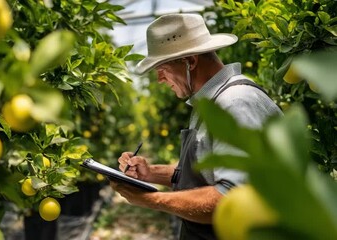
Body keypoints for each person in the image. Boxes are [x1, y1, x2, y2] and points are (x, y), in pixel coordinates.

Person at [109, 13, 283, 240]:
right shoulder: (212, 103)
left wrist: (150, 200)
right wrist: (152, 173)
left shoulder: (235, 103)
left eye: (162, 68)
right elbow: (209, 173)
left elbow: (231, 198)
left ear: (190, 61)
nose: (160, 79)